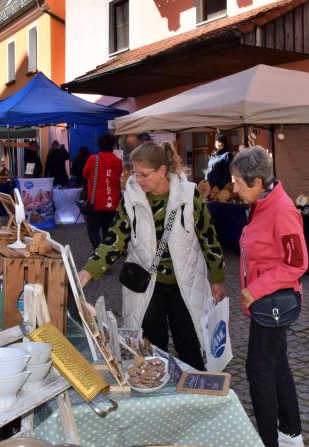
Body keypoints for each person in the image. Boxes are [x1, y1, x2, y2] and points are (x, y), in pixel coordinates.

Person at [78, 141, 226, 371]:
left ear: (162, 171)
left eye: (144, 174)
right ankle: (158, 388)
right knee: (151, 350)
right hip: (146, 286)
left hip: (185, 284)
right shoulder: (131, 199)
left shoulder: (189, 195)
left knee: (190, 345)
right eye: (135, 173)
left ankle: (194, 388)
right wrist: (88, 271)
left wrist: (216, 278)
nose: (138, 180)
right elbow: (114, 240)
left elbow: (209, 238)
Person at [230, 146, 307, 447]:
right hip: (267, 301)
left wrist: (255, 289)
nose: (234, 189)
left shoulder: (281, 210)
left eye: (238, 182)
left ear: (258, 182)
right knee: (276, 365)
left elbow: (297, 263)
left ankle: (267, 444)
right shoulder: (262, 204)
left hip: (271, 301)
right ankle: (291, 432)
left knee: (259, 368)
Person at [81, 134, 123, 249]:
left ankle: (98, 252)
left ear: (99, 145)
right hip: (113, 202)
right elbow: (118, 175)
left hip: (96, 202)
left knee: (93, 230)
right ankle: (106, 252)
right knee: (108, 231)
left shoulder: (93, 159)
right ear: (113, 146)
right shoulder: (118, 161)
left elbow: (85, 174)